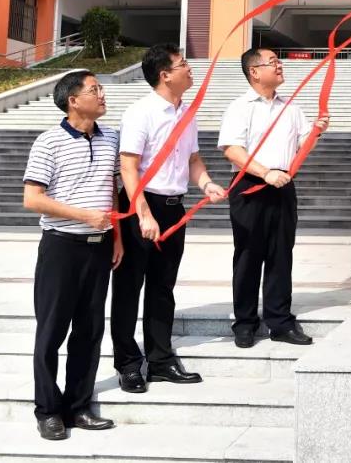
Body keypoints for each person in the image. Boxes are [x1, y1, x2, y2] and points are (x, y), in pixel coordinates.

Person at [112, 44, 226, 393]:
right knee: (129, 289)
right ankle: (128, 364)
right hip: (139, 207)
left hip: (174, 207)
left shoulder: (187, 113)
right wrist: (143, 214)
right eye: (183, 64)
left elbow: (193, 159)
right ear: (165, 75)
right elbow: (128, 167)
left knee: (163, 288)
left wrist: (206, 183)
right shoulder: (140, 113)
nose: (190, 70)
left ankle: (160, 360)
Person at [22, 71, 123, 440]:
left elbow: (113, 189)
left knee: (90, 331)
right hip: (61, 247)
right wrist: (84, 216)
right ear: (73, 100)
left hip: (99, 250)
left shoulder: (112, 137)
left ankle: (78, 406)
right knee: (51, 332)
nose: (102, 95)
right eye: (94, 90)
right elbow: (32, 198)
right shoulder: (48, 142)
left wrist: (117, 238)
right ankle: (48, 410)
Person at [218, 47, 328, 348]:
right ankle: (245, 322)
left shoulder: (290, 107)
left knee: (281, 254)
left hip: (282, 185)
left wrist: (316, 131)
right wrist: (265, 172)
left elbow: (303, 144)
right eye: (273, 62)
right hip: (250, 186)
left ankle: (279, 321)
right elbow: (231, 149)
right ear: (254, 71)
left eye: (278, 62)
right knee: (248, 255)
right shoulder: (240, 107)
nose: (279, 66)